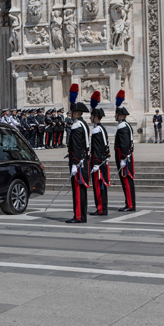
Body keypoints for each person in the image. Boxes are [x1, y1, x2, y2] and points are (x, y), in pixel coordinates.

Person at [66, 85, 91, 224]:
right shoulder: (84, 124)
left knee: (77, 189)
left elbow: (76, 146)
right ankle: (82, 215)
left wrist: (74, 162)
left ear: (75, 113)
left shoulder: (76, 125)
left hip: (78, 162)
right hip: (83, 160)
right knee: (81, 190)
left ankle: (78, 216)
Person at [88, 93, 110, 216]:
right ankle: (102, 208)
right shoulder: (101, 128)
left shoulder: (96, 130)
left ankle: (101, 208)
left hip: (98, 163)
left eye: (91, 116)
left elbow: (97, 148)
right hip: (102, 161)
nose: (90, 118)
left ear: (95, 116)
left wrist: (95, 163)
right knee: (101, 186)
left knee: (98, 186)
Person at [115, 91, 136, 212]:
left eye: (116, 114)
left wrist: (123, 158)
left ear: (121, 116)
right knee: (128, 181)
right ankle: (130, 203)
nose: (115, 116)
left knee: (126, 182)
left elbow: (124, 144)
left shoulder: (122, 126)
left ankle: (130, 205)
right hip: (127, 157)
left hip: (124, 157)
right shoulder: (126, 125)